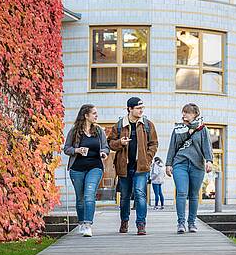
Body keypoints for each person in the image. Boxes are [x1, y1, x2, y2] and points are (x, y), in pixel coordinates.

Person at [107, 97, 158, 235]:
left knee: (140, 195)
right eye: (138, 108)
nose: (141, 110)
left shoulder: (148, 125)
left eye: (142, 108)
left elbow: (154, 144)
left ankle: (141, 224)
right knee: (124, 197)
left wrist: (147, 159)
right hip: (124, 167)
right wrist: (120, 143)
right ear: (129, 109)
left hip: (141, 167)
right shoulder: (119, 125)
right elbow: (110, 143)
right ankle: (124, 221)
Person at [166, 103, 213, 234]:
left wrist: (209, 161)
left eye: (187, 112)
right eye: (184, 112)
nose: (184, 114)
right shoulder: (178, 128)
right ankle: (181, 223)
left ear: (195, 114)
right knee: (181, 193)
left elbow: (207, 147)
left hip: (197, 165)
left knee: (193, 195)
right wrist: (168, 164)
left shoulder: (203, 129)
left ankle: (191, 223)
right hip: (180, 164)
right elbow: (172, 147)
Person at [63, 104, 109, 237]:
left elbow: (106, 147)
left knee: (89, 195)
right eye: (94, 113)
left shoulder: (99, 131)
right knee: (80, 198)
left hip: (95, 167)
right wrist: (77, 150)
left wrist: (103, 153)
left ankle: (88, 225)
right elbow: (67, 148)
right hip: (77, 169)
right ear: (86, 115)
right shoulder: (74, 131)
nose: (96, 115)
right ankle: (81, 222)